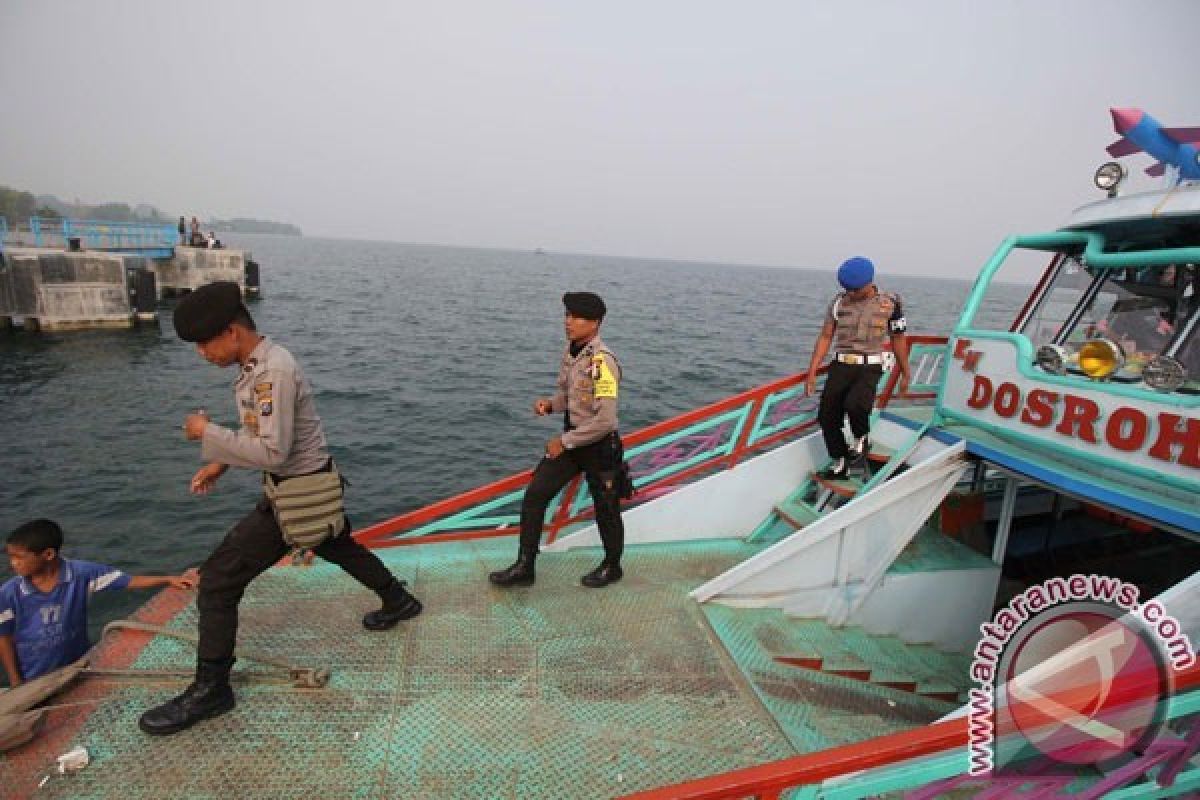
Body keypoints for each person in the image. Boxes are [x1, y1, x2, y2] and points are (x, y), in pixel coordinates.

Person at [137, 281, 421, 736]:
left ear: (231, 332)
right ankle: (398, 599)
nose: (202, 353)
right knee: (336, 543)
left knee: (218, 583)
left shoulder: (273, 372)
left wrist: (206, 433)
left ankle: (212, 689)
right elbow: (262, 436)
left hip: (295, 495)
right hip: (307, 488)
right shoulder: (257, 366)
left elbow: (273, 452)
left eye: (205, 343)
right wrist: (220, 464)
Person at [489, 292, 627, 589]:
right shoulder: (572, 352)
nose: (568, 322)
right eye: (567, 315)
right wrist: (551, 405)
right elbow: (573, 396)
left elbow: (605, 420)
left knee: (607, 509)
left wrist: (564, 442)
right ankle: (525, 566)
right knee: (536, 495)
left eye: (576, 317)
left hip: (599, 447)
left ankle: (612, 566)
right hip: (575, 442)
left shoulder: (602, 363)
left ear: (595, 323)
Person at [1, 519, 196, 688]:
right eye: (11, 557)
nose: (13, 563)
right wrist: (17, 682)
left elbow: (128, 581)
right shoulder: (10, 593)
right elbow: (4, 637)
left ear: (48, 555)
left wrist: (167, 579)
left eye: (19, 557)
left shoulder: (81, 574)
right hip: (33, 675)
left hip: (77, 666)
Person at [803, 257, 911, 480]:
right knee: (827, 416)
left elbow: (898, 338)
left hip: (870, 365)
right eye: (847, 289)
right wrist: (812, 371)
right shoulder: (838, 303)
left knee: (856, 406)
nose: (851, 293)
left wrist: (905, 372)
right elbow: (825, 336)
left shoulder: (890, 303)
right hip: (841, 364)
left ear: (869, 282)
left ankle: (862, 438)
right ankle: (840, 460)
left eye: (855, 289)